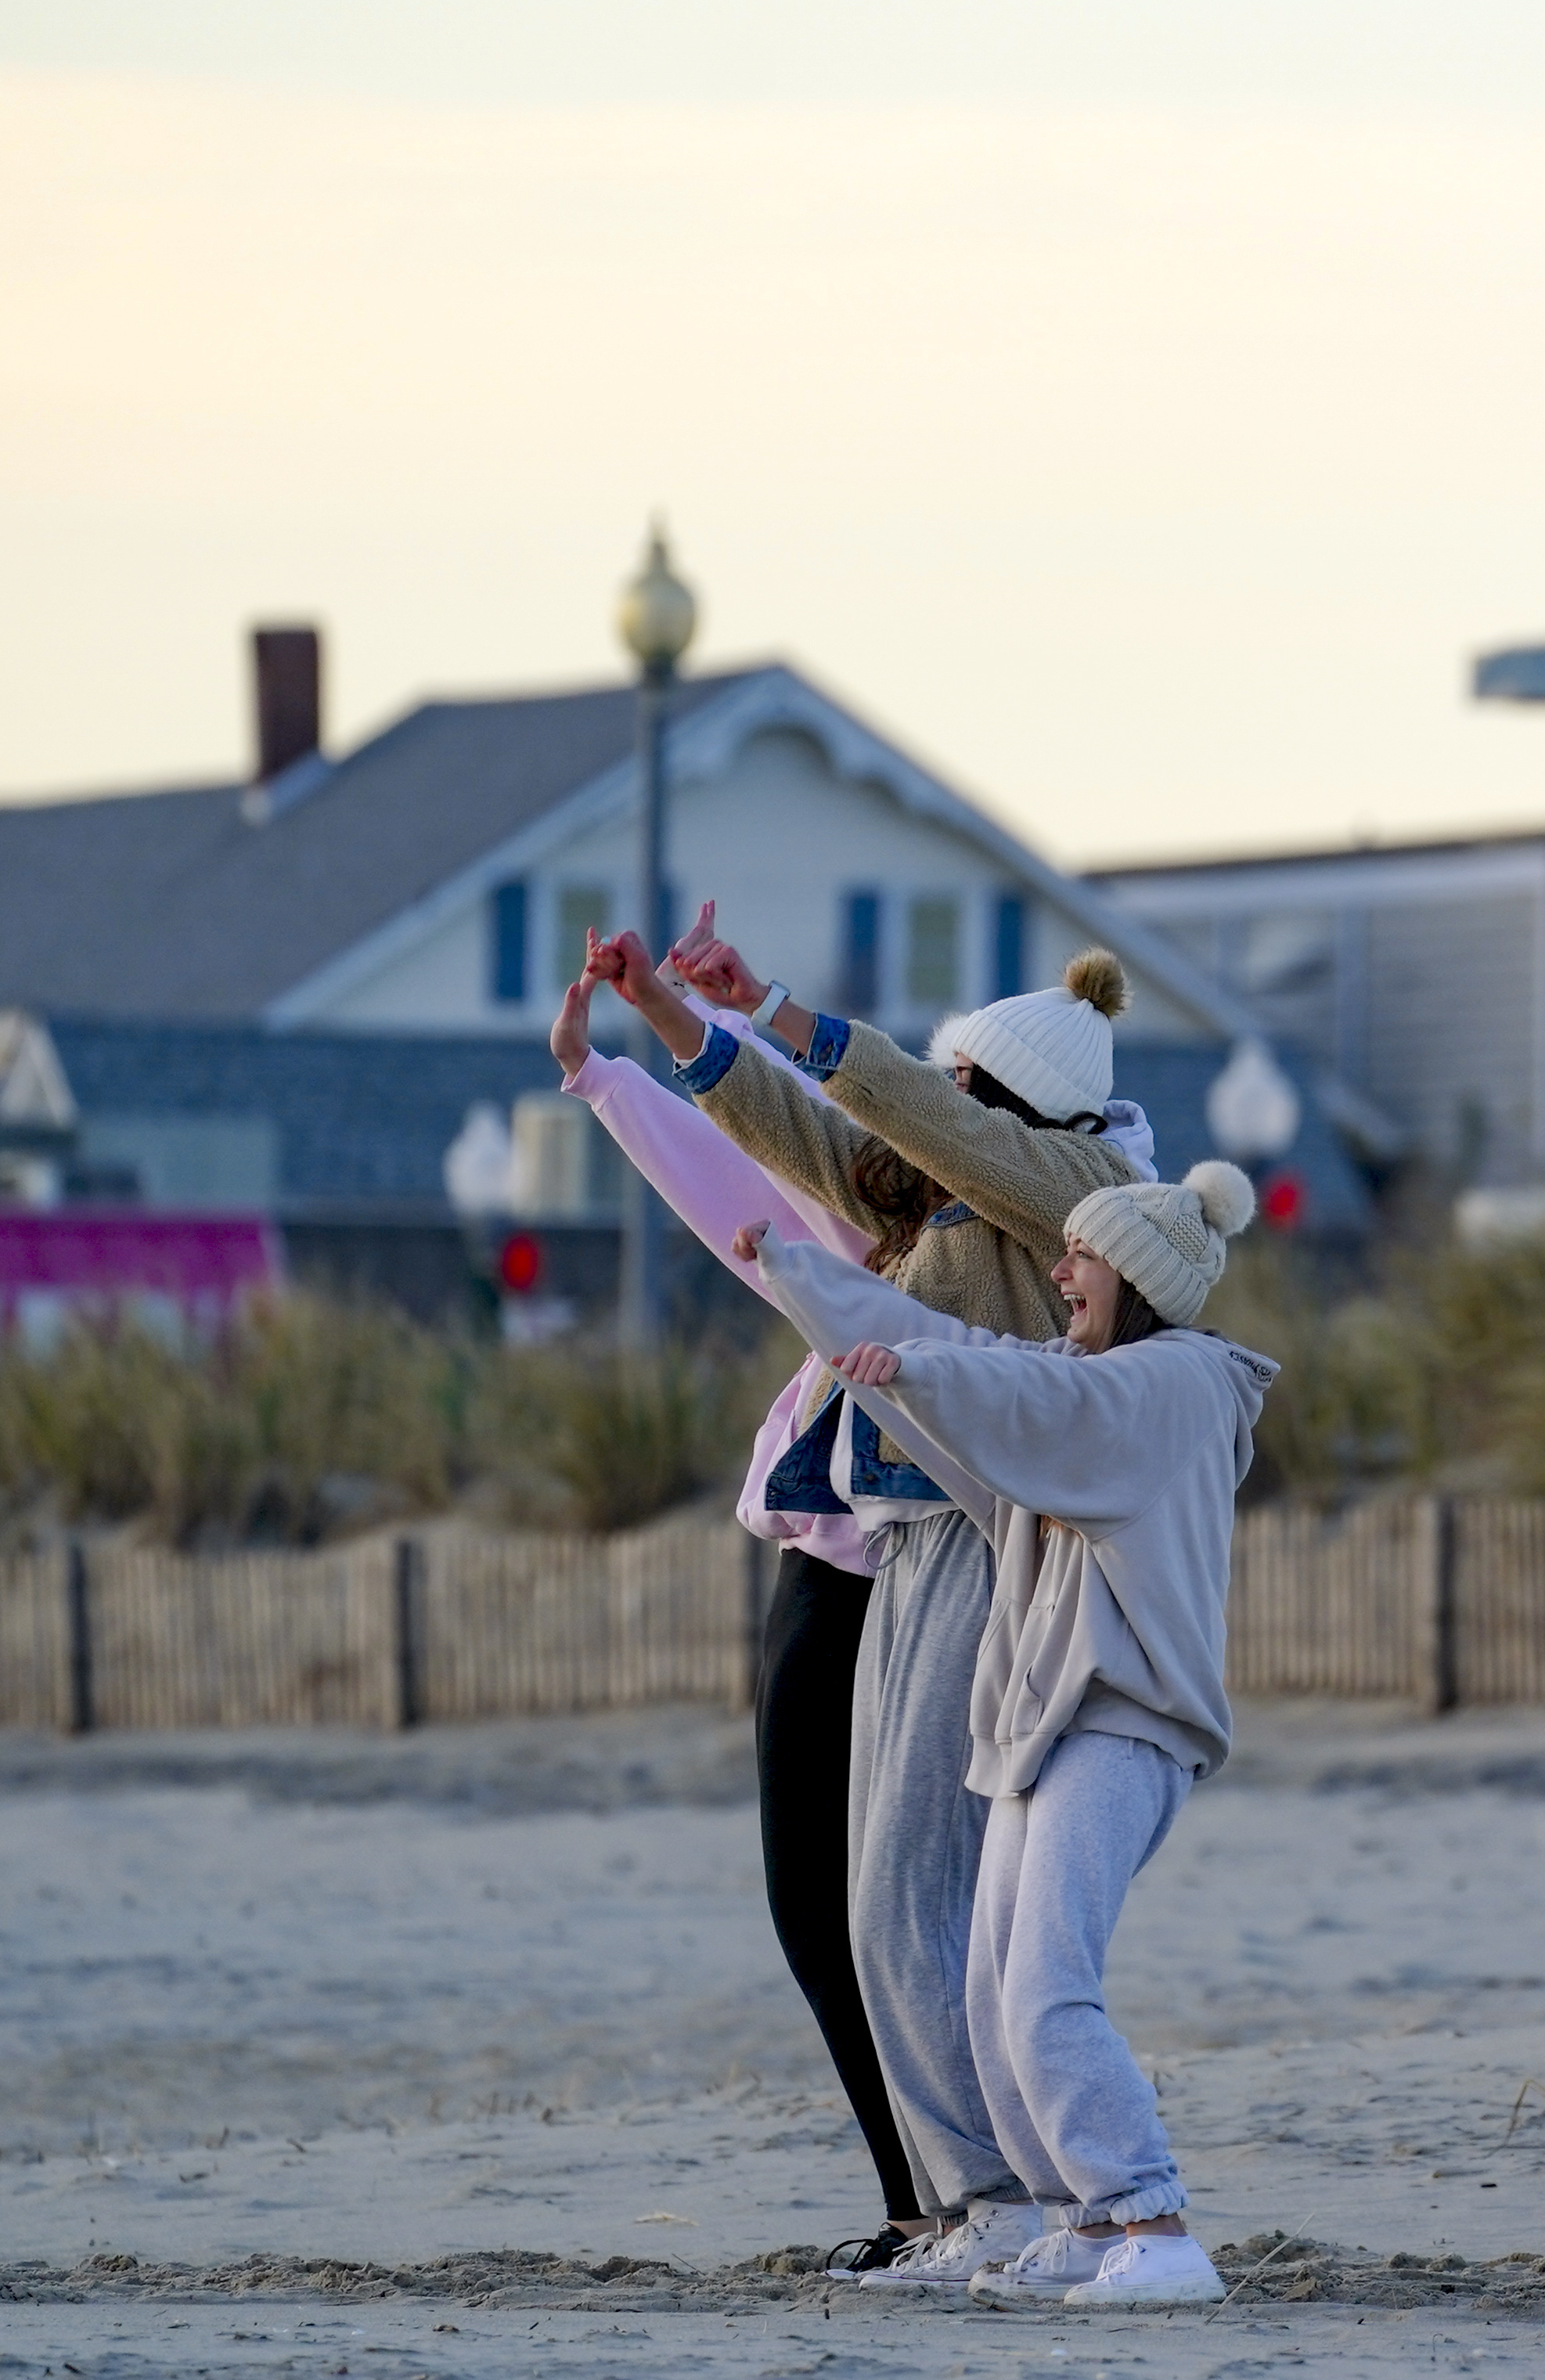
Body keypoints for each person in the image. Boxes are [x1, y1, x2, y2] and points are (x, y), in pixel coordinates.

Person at [601, 906, 1149, 2290]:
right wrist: (682, 1017)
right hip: (900, 1538)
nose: (936, 1106)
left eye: (964, 1085)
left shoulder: (1064, 1184)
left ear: (1014, 1106)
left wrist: (783, 1003)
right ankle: (979, 2199)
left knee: (913, 1887)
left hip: (977, 1544)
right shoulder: (949, 1192)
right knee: (883, 1901)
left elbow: (916, 1114)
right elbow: (799, 1138)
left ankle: (1001, 2198)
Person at [733, 1153, 1270, 2313]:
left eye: (1081, 1254)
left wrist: (912, 1369)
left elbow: (1025, 1399)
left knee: (1044, 1990)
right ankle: (1074, 2215)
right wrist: (803, 1282)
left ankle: (1154, 2218)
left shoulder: (1169, 1384)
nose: (1059, 1268)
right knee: (986, 1992)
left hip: (1123, 1726)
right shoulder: (1083, 1369)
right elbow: (980, 1361)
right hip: (1046, 1727)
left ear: (1135, 1273)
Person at [546, 942, 935, 2267]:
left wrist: (631, 1057)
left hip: (860, 1578)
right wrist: (628, 1052)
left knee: (851, 1907)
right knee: (880, 1910)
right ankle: (944, 2195)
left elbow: (750, 1169)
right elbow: (753, 1158)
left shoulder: (974, 1217)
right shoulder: (1001, 1207)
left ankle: (935, 2200)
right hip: (895, 1575)